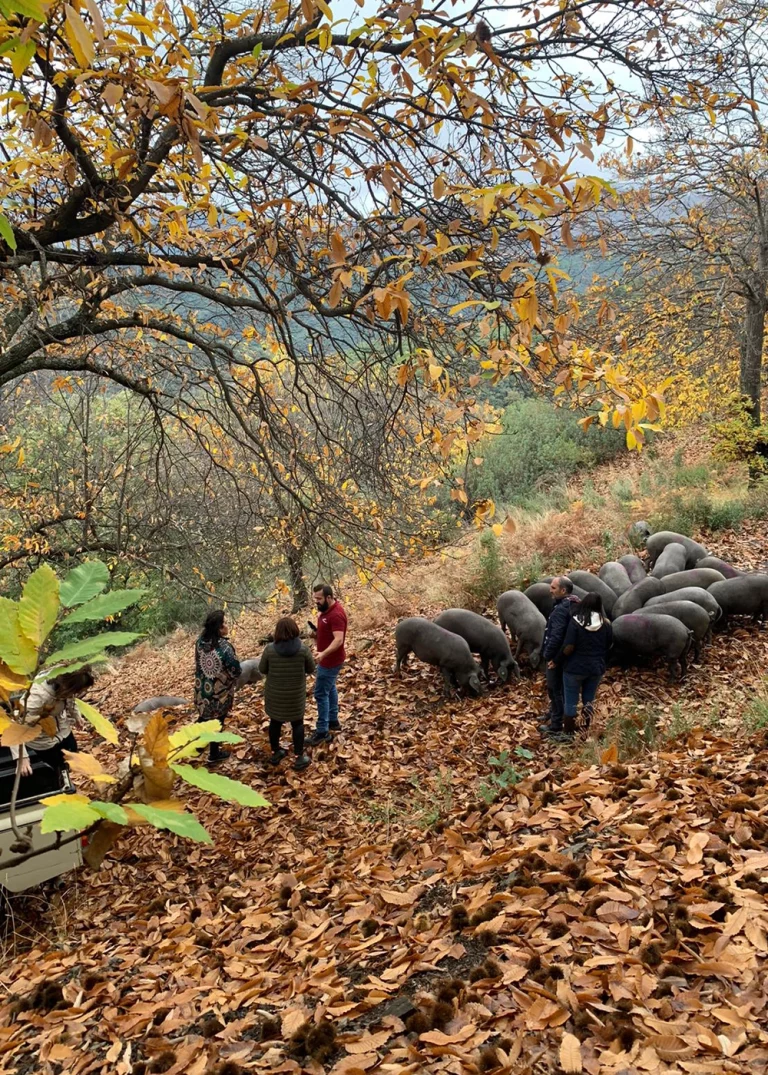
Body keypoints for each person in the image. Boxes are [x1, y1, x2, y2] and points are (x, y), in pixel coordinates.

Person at [12, 668, 95, 778]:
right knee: (58, 769)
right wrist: (21, 757)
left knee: (74, 757)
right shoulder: (37, 697)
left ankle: (77, 778)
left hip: (63, 731)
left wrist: (76, 715)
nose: (78, 694)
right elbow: (14, 724)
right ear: (67, 687)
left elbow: (71, 699)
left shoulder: (65, 676)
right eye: (78, 691)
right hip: (44, 741)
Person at [258, 617, 314, 770]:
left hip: (275, 695)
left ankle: (276, 752)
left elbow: (262, 669)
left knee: (275, 722)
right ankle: (299, 757)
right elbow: (311, 668)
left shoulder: (269, 649)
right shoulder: (303, 649)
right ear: (295, 630)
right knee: (297, 723)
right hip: (295, 696)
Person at [560, 592, 613, 738]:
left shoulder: (576, 622)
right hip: (596, 668)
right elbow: (609, 645)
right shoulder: (606, 624)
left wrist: (559, 659)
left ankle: (568, 733)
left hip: (574, 668)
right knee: (589, 699)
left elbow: (568, 647)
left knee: (570, 700)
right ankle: (586, 728)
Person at [194, 609, 241, 765]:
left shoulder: (200, 643)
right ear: (219, 628)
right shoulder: (225, 647)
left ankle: (195, 744)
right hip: (220, 693)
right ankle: (214, 753)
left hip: (203, 689)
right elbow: (235, 669)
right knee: (218, 721)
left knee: (203, 716)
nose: (227, 626)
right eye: (225, 623)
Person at [539, 577, 581, 739]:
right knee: (561, 690)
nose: (550, 590)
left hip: (557, 657)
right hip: (568, 655)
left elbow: (556, 636)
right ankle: (554, 714)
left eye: (553, 588)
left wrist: (550, 656)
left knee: (555, 689)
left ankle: (555, 725)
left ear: (563, 591)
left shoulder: (561, 609)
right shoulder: (576, 604)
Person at [307, 583, 348, 746]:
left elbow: (339, 639)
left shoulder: (336, 614)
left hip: (330, 661)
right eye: (315, 598)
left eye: (319, 598)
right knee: (330, 688)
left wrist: (323, 654)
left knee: (320, 693)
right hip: (326, 659)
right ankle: (333, 721)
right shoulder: (325, 610)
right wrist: (317, 634)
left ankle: (322, 731)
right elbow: (328, 632)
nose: (316, 602)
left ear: (329, 597)